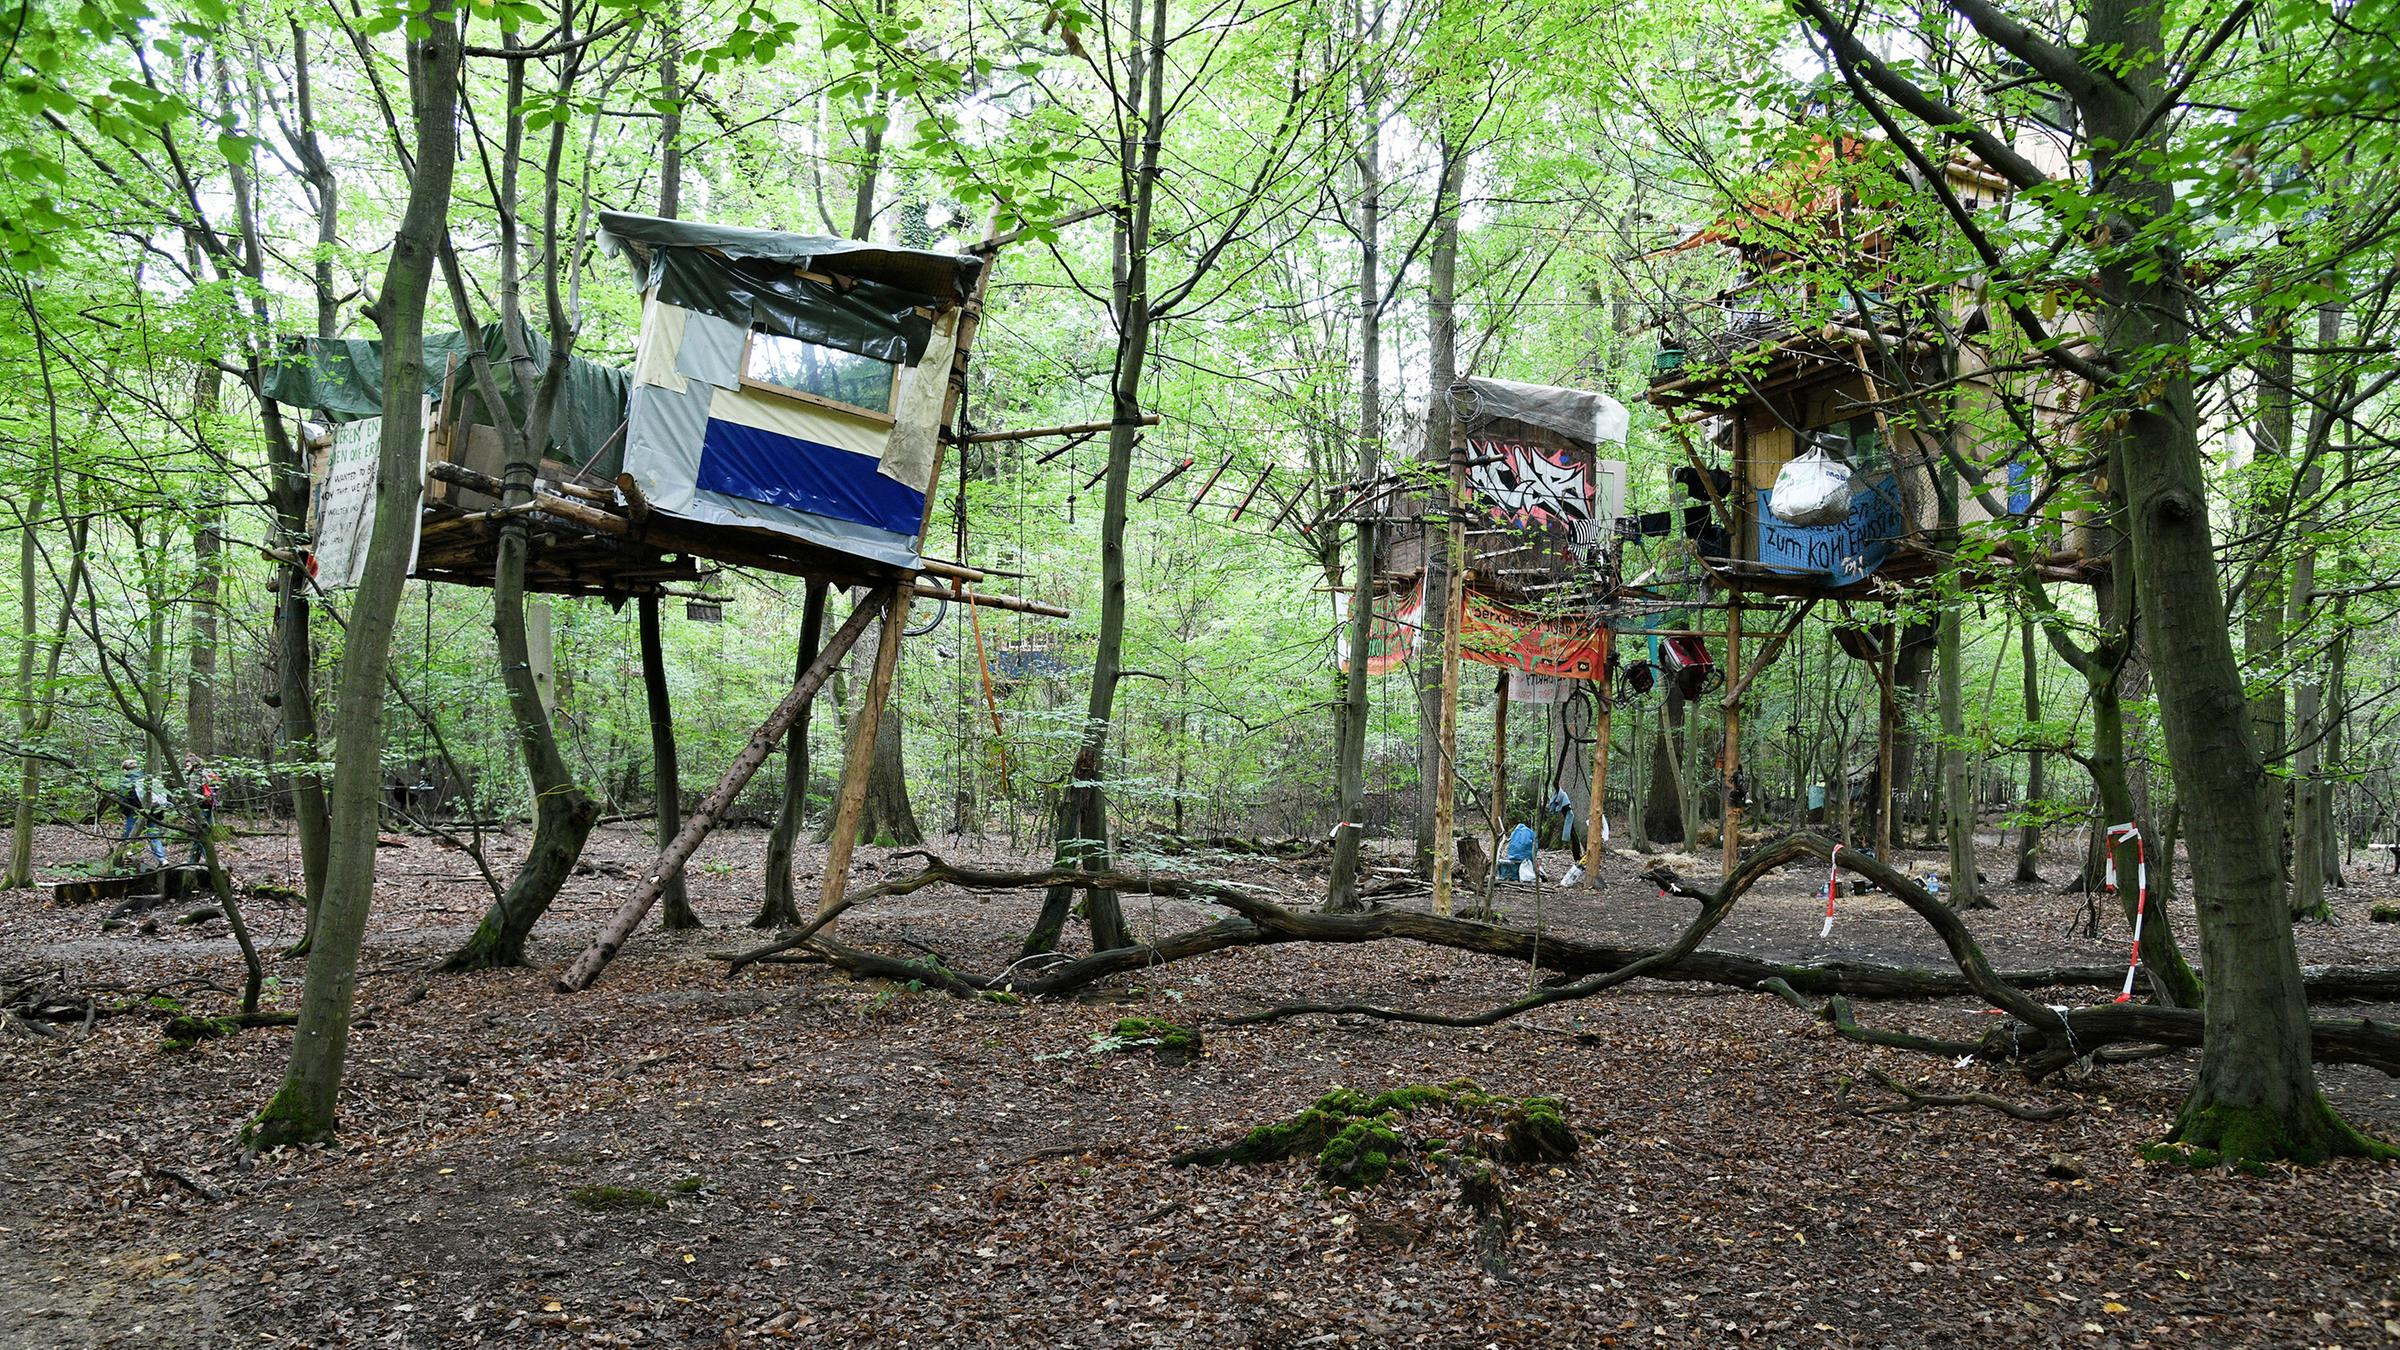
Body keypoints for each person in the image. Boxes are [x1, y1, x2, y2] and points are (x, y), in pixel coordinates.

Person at [115, 757, 166, 868]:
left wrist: (126, 812)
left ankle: (126, 856)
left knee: (130, 835)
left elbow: (124, 799)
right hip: (152, 811)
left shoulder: (126, 781)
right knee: (153, 835)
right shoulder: (146, 778)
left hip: (135, 811)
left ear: (125, 770)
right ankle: (162, 859)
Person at [184, 755, 221, 863]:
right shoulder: (208, 772)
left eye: (188, 765)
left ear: (194, 765)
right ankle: (193, 860)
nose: (186, 768)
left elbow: (192, 796)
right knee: (202, 834)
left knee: (201, 835)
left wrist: (188, 810)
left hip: (199, 808)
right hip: (209, 806)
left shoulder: (195, 776)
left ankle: (210, 861)